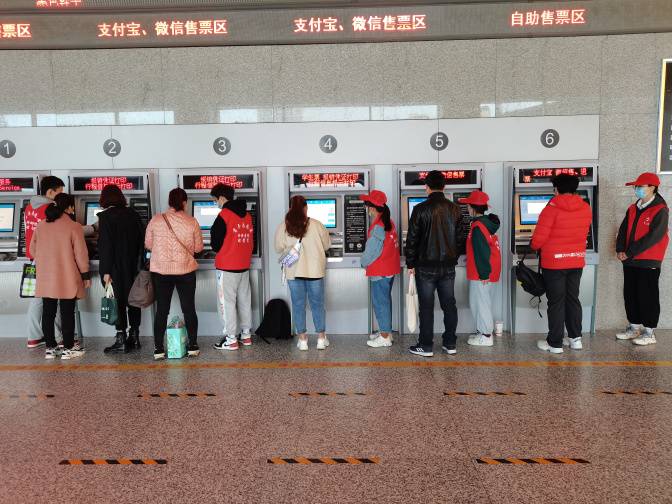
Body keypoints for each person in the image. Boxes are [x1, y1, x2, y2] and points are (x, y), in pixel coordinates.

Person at [530, 174, 592, 354]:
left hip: (555, 263)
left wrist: (533, 245)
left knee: (556, 302)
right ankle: (575, 339)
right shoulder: (585, 207)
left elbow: (538, 239)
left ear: (556, 189)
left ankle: (555, 343)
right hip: (576, 260)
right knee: (573, 299)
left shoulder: (551, 208)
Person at [405, 170, 464, 357]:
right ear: (444, 187)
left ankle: (426, 346)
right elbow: (460, 240)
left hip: (425, 266)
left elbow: (412, 239)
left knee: (426, 307)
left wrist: (410, 264)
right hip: (448, 267)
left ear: (427, 187)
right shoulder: (455, 209)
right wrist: (452, 257)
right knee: (449, 305)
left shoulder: (419, 209)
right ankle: (450, 343)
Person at [30, 193, 91, 360]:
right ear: (68, 208)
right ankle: (68, 348)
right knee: (67, 312)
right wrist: (85, 275)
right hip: (67, 276)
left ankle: (51, 348)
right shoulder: (74, 226)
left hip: (46, 276)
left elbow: (32, 251)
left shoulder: (41, 225)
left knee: (48, 312)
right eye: (72, 206)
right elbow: (81, 255)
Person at [145, 188, 204, 360]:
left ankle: (158, 349)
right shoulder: (192, 221)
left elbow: (148, 244)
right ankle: (193, 346)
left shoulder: (156, 219)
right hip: (185, 271)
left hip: (161, 272)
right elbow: (198, 248)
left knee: (162, 310)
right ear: (184, 202)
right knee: (189, 309)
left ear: (169, 202)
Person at [615, 172, 669, 346]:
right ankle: (634, 328)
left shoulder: (660, 209)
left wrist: (630, 252)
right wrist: (620, 250)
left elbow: (654, 237)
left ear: (652, 187)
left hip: (648, 261)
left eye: (640, 186)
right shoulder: (633, 208)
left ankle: (649, 332)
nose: (637, 189)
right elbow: (623, 230)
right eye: (636, 186)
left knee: (647, 296)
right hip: (630, 260)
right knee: (630, 294)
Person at [274, 195, 331, 351]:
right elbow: (327, 245)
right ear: (306, 208)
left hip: (294, 272)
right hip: (315, 272)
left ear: (291, 208)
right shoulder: (317, 225)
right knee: (317, 305)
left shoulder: (284, 226)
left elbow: (278, 248)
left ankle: (303, 340)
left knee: (298, 305)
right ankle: (321, 339)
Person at [97, 184, 145, 354]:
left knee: (117, 302)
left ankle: (121, 339)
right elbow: (142, 241)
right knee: (133, 301)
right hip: (134, 267)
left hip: (115, 268)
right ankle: (135, 336)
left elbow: (106, 246)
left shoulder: (105, 217)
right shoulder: (133, 214)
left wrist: (106, 271)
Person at [209, 183, 255, 351]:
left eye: (215, 200)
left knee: (226, 304)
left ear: (222, 197)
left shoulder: (224, 215)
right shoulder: (247, 216)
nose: (216, 203)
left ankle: (231, 339)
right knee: (244, 301)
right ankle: (246, 335)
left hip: (226, 267)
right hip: (244, 266)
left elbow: (215, 244)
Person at [24, 176, 64, 349]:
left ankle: (33, 336)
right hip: (48, 259)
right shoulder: (50, 208)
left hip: (34, 258)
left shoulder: (29, 207)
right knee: (51, 298)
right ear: (50, 191)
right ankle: (57, 337)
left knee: (38, 298)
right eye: (59, 192)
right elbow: (64, 230)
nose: (61, 196)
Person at [458, 190, 501, 347]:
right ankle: (482, 332)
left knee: (481, 304)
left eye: (468, 205)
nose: (467, 208)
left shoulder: (478, 226)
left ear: (472, 207)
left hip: (482, 272)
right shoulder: (486, 223)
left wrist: (483, 274)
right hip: (490, 269)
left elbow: (482, 251)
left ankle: (486, 336)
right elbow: (481, 248)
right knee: (483, 302)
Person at [359, 190, 401, 348]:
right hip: (389, 269)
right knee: (385, 300)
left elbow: (372, 251)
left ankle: (384, 337)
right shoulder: (389, 222)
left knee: (380, 303)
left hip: (380, 271)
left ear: (372, 208)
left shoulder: (378, 226)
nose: (366, 208)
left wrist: (363, 262)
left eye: (367, 205)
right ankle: (386, 332)